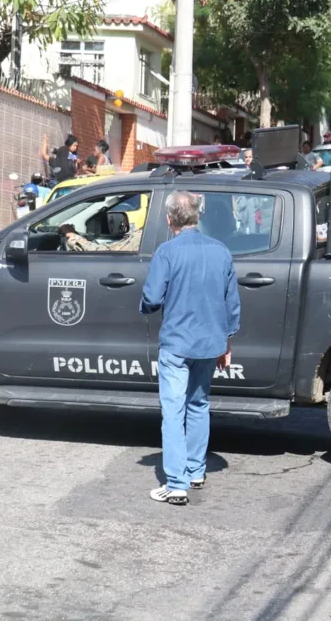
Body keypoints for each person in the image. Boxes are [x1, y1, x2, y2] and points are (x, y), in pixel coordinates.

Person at [140, 191, 241, 505]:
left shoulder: (167, 252)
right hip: (210, 344)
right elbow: (231, 303)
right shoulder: (221, 251)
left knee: (173, 411)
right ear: (198, 216)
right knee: (199, 405)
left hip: (177, 343)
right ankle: (196, 470)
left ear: (169, 220)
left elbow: (152, 298)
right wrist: (227, 342)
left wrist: (144, 306)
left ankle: (176, 483)